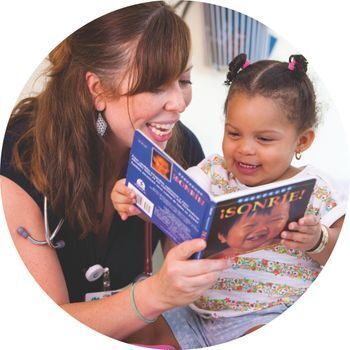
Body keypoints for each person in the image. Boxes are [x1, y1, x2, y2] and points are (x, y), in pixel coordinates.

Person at [0, 1, 230, 343]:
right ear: (98, 90)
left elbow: (190, 276)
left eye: (184, 80)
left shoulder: (180, 150)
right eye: (155, 86)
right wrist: (156, 294)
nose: (179, 104)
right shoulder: (23, 152)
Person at [113, 53, 346, 348]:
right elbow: (174, 203)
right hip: (193, 312)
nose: (245, 149)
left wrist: (319, 240)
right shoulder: (213, 171)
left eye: (264, 139)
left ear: (302, 141)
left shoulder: (318, 189)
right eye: (233, 133)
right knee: (129, 333)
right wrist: (136, 199)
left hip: (264, 317)